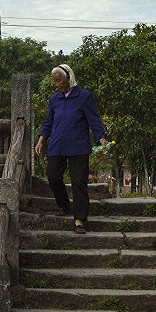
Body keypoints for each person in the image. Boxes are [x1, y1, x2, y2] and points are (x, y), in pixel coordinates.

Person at [35, 64, 108, 234]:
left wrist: (101, 138)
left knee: (78, 182)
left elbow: (93, 120)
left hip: (78, 146)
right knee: (53, 177)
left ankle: (79, 219)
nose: (56, 84)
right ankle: (65, 205)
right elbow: (48, 122)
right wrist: (41, 139)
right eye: (55, 81)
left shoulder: (84, 97)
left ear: (69, 77)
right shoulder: (54, 100)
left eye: (59, 80)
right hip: (56, 145)